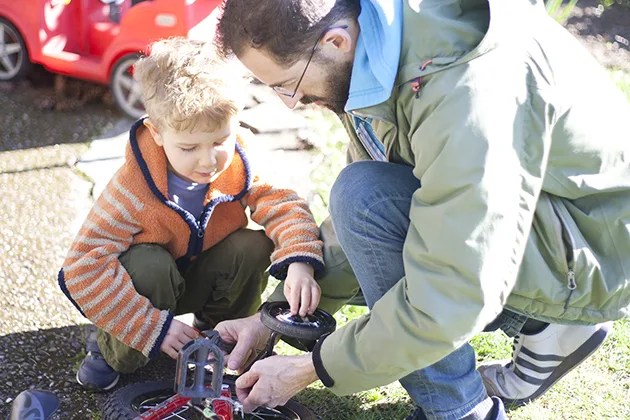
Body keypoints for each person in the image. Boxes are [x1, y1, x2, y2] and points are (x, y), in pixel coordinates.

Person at [212, 0, 630, 419]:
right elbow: (367, 219)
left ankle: (460, 411)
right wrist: (270, 321)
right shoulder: (373, 44)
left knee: (368, 199)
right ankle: (546, 328)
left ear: (335, 42)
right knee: (362, 192)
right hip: (544, 225)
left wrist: (310, 368)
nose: (291, 102)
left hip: (592, 251)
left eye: (287, 84)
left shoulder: (465, 90)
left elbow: (452, 287)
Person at [57, 37, 328, 391]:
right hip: (146, 292)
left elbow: (283, 204)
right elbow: (81, 267)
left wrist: (300, 261)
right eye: (188, 147)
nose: (208, 160)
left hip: (198, 275)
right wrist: (151, 327)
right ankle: (112, 349)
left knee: (251, 246)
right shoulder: (131, 190)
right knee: (150, 264)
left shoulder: (243, 160)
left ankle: (223, 339)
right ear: (156, 133)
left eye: (220, 141)